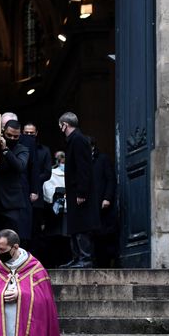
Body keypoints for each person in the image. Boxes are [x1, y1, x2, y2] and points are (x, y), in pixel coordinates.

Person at [58, 112, 99, 268]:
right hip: (75, 191)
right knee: (75, 225)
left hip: (80, 192)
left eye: (60, 126)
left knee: (82, 225)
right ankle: (77, 258)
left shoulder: (79, 140)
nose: (60, 129)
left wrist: (82, 192)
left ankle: (85, 259)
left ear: (65, 125)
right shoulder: (73, 140)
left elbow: (84, 169)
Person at [0, 119, 29, 233]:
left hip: (11, 202)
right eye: (9, 135)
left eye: (15, 136)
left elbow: (20, 166)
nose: (12, 138)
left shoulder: (22, 150)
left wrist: (6, 150)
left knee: (9, 236)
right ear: (3, 132)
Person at [23, 122, 52, 258]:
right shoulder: (19, 148)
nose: (29, 136)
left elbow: (47, 173)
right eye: (26, 133)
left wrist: (33, 180)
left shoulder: (44, 150)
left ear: (36, 133)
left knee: (36, 228)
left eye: (31, 133)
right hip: (20, 194)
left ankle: (34, 258)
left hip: (37, 195)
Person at [91, 141, 118, 267]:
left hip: (103, 204)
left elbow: (110, 179)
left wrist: (107, 198)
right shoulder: (83, 161)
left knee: (105, 235)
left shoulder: (103, 159)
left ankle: (108, 262)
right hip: (90, 206)